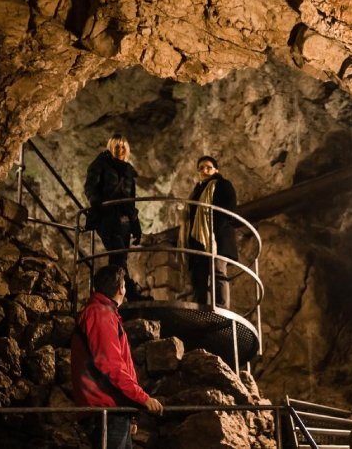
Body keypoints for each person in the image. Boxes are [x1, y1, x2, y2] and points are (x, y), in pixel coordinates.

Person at [71, 265, 164, 448]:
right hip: (106, 411)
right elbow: (111, 364)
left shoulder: (104, 313)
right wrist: (142, 398)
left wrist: (131, 415)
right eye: (124, 285)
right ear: (121, 288)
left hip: (113, 411)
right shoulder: (100, 313)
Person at [84, 134, 143, 299]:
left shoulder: (129, 170)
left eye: (123, 146)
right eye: (117, 146)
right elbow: (90, 187)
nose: (120, 149)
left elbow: (131, 200)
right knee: (118, 254)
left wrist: (136, 225)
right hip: (107, 218)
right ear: (111, 147)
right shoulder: (100, 164)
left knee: (118, 257)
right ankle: (129, 291)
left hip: (124, 220)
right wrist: (97, 203)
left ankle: (111, 295)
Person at [179, 155, 238, 307]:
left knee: (218, 272)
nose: (204, 170)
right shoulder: (195, 192)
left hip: (217, 237)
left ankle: (222, 309)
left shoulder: (223, 185)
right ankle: (202, 309)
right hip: (198, 241)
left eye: (208, 167)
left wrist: (214, 228)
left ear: (216, 170)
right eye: (201, 168)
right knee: (199, 277)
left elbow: (229, 208)